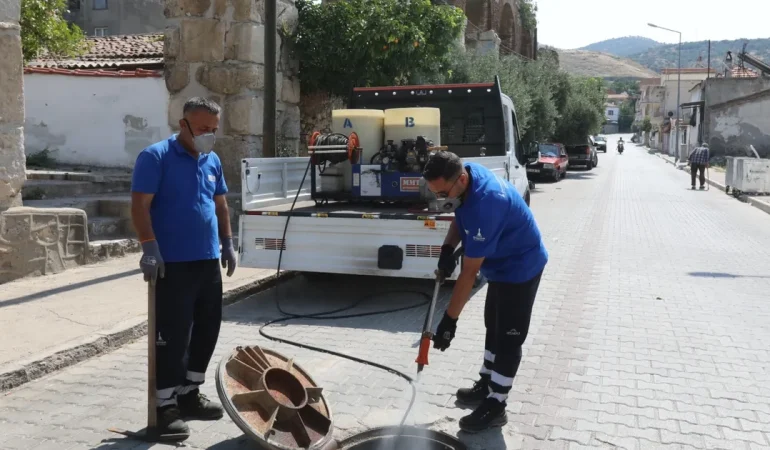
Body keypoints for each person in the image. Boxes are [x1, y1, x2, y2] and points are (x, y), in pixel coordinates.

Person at [130, 97, 237, 441]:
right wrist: (149, 247)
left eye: (214, 130)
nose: (209, 135)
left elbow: (221, 206)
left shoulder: (212, 160)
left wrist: (228, 242)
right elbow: (139, 205)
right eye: (204, 129)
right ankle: (164, 407)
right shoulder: (155, 157)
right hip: (171, 263)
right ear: (184, 124)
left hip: (206, 260)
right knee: (173, 336)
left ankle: (189, 393)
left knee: (207, 328)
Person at [422, 151, 548, 433]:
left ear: (461, 179)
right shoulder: (466, 176)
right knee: (493, 323)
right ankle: (486, 383)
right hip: (500, 267)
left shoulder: (488, 203)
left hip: (521, 267)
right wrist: (446, 249)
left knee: (508, 337)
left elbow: (468, 274)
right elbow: (459, 214)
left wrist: (449, 321)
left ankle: (497, 404)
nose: (440, 198)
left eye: (442, 191)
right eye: (435, 192)